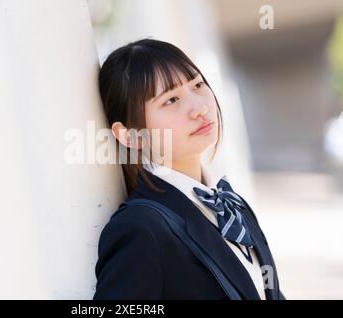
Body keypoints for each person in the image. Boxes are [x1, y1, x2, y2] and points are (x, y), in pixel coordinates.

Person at [93, 38, 285, 300]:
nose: (200, 108)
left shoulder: (233, 204)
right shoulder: (140, 229)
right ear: (130, 136)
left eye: (197, 85)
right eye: (171, 99)